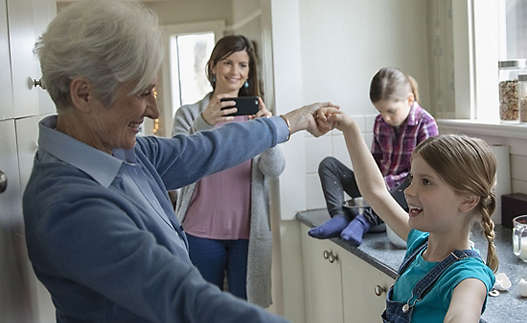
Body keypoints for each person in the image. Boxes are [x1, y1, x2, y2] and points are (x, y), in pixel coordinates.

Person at [23, 1, 337, 322]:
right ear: (84, 94)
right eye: (143, 93)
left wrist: (289, 122)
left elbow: (205, 148)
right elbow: (185, 301)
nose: (153, 111)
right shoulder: (68, 206)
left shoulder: (127, 152)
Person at [315, 108, 497, 322]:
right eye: (412, 178)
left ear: (467, 200)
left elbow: (462, 314)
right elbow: (375, 192)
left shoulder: (469, 278)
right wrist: (349, 127)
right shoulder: (419, 243)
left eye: (426, 182)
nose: (409, 191)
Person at [172, 35, 282, 307]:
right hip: (198, 232)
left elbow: (275, 168)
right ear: (212, 67)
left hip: (247, 235)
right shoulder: (189, 114)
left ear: (249, 72)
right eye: (227, 63)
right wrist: (204, 122)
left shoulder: (258, 116)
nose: (235, 71)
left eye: (243, 65)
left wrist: (268, 130)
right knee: (200, 308)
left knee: (244, 311)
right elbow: (178, 164)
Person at [308, 68, 439, 246]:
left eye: (391, 111)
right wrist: (372, 183)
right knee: (328, 165)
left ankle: (364, 221)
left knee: (414, 178)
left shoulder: (426, 123)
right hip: (376, 190)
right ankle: (340, 217)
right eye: (380, 111)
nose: (385, 117)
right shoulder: (380, 122)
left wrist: (383, 185)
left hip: (402, 198)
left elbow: (425, 177)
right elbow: (373, 162)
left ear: (409, 100)